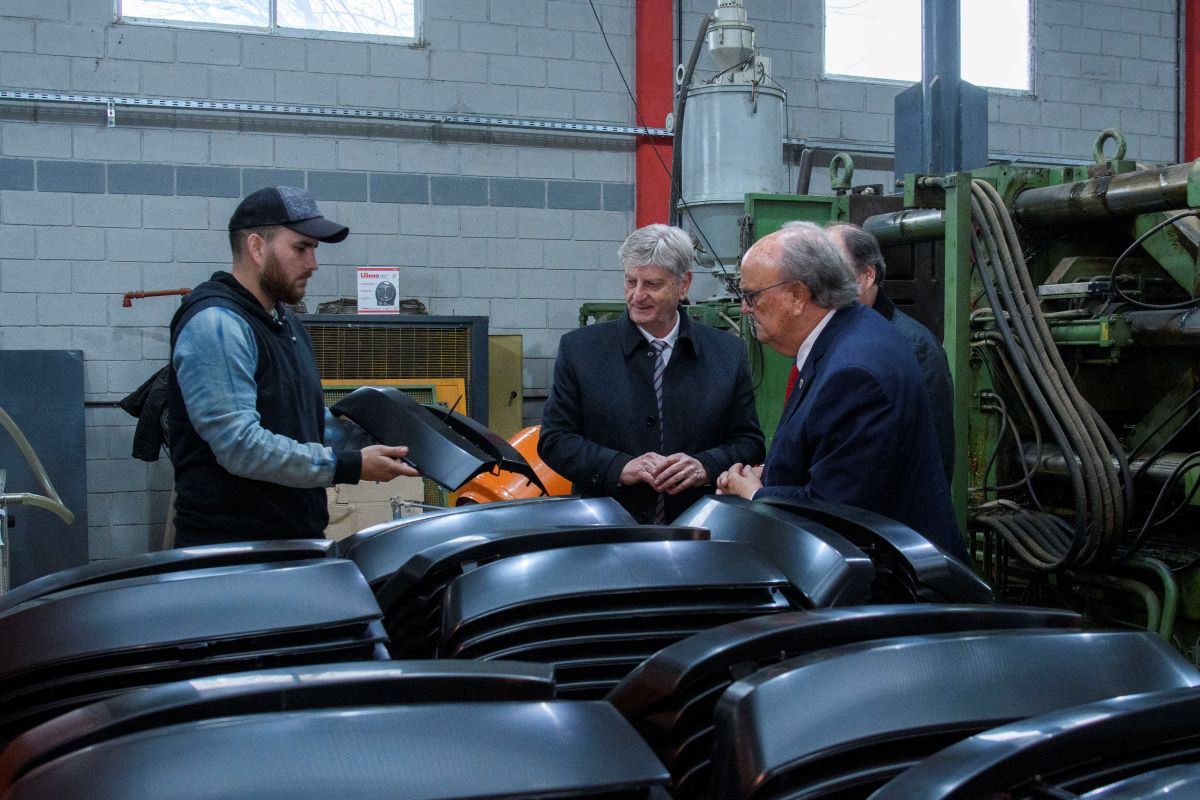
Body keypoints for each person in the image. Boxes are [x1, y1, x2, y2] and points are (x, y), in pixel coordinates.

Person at [167, 186, 418, 546]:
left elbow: (297, 422)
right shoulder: (217, 324)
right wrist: (349, 465)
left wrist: (381, 436)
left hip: (293, 539)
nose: (313, 264)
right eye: (301, 248)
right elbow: (241, 447)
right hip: (234, 551)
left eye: (314, 249)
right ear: (257, 248)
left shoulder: (284, 323)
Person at [716, 221, 967, 561]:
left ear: (797, 296)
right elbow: (835, 460)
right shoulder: (852, 332)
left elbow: (837, 509)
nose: (745, 308)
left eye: (752, 296)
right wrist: (770, 475)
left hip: (887, 578)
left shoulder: (854, 373)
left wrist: (756, 495)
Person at [539, 224, 764, 524]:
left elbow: (749, 442)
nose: (637, 295)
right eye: (631, 281)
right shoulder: (581, 350)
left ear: (684, 285)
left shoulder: (727, 354)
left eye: (652, 284)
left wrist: (705, 466)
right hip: (606, 526)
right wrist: (618, 467)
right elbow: (555, 440)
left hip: (699, 525)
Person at [827, 222, 955, 481]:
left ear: (867, 275)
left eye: (833, 270)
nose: (820, 284)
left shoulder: (916, 348)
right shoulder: (827, 338)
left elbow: (934, 455)